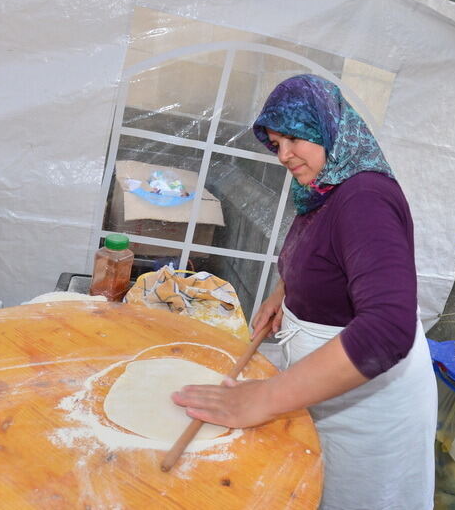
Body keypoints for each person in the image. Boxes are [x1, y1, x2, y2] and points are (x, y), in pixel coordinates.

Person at [171, 74, 436, 509]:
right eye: (276, 144)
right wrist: (286, 292)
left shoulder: (365, 198)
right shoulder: (324, 189)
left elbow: (388, 329)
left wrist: (265, 399)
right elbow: (324, 254)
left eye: (294, 137)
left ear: (327, 126)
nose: (283, 155)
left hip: (369, 411)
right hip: (330, 390)